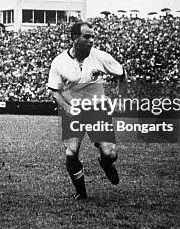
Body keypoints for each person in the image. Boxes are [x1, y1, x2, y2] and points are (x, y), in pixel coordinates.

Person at [47, 22, 126, 200]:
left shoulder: (100, 57)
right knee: (71, 153)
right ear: (75, 38)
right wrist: (67, 108)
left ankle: (106, 164)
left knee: (109, 153)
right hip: (73, 110)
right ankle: (81, 192)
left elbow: (121, 73)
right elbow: (54, 90)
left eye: (93, 36)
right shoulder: (59, 62)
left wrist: (121, 98)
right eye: (87, 37)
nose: (92, 40)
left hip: (98, 109)